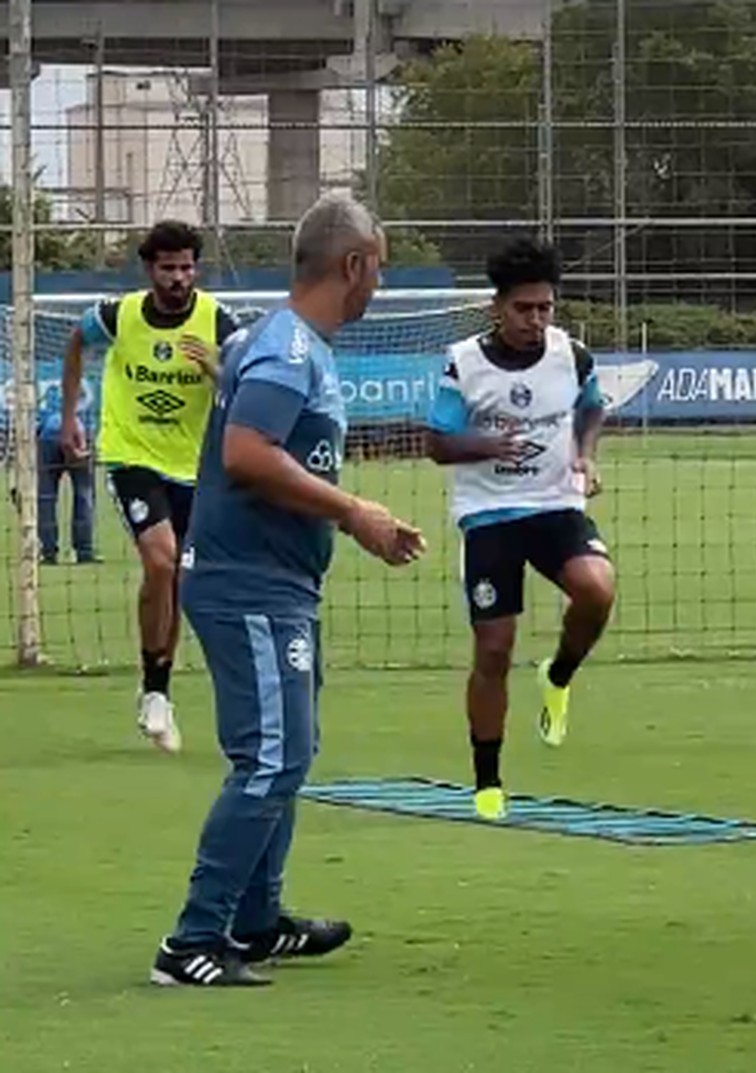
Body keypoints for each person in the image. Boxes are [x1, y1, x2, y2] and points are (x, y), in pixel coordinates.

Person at [150, 194, 426, 988]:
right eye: (378, 266)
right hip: (249, 586)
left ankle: (257, 921)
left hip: (278, 582)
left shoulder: (285, 342)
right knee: (271, 757)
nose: (379, 283)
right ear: (353, 265)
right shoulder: (289, 351)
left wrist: (342, 520)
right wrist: (355, 510)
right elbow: (245, 452)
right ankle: (191, 941)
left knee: (289, 753)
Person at [425, 237, 616, 822]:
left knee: (597, 589)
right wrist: (485, 443)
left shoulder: (572, 355)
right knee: (494, 647)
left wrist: (585, 455)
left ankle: (557, 677)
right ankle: (488, 781)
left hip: (555, 506)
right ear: (496, 309)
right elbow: (436, 443)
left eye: (545, 308)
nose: (536, 320)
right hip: (490, 516)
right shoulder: (464, 363)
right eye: (524, 309)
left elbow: (591, 407)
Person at [60, 221, 240, 754]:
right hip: (131, 455)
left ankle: (156, 689)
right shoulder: (120, 315)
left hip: (193, 467)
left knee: (177, 578)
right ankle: (155, 689)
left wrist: (215, 368)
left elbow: (244, 380)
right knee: (160, 561)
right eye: (168, 268)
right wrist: (71, 416)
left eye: (187, 267)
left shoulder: (217, 321)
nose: (179, 277)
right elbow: (75, 341)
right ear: (149, 270)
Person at [36, 379, 98, 565]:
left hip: (47, 437)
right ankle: (84, 551)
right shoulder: (85, 387)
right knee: (84, 495)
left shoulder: (43, 397)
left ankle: (48, 552)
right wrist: (81, 450)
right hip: (76, 433)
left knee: (46, 497)